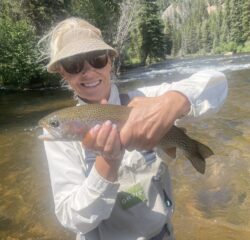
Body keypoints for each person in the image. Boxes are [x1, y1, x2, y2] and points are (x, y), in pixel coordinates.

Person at [40, 17, 228, 240]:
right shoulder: (59, 140)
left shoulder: (147, 100)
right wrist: (107, 163)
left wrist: (174, 102)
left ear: (110, 61)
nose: (87, 72)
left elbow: (218, 82)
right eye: (74, 65)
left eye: (97, 59)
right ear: (63, 73)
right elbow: (71, 218)